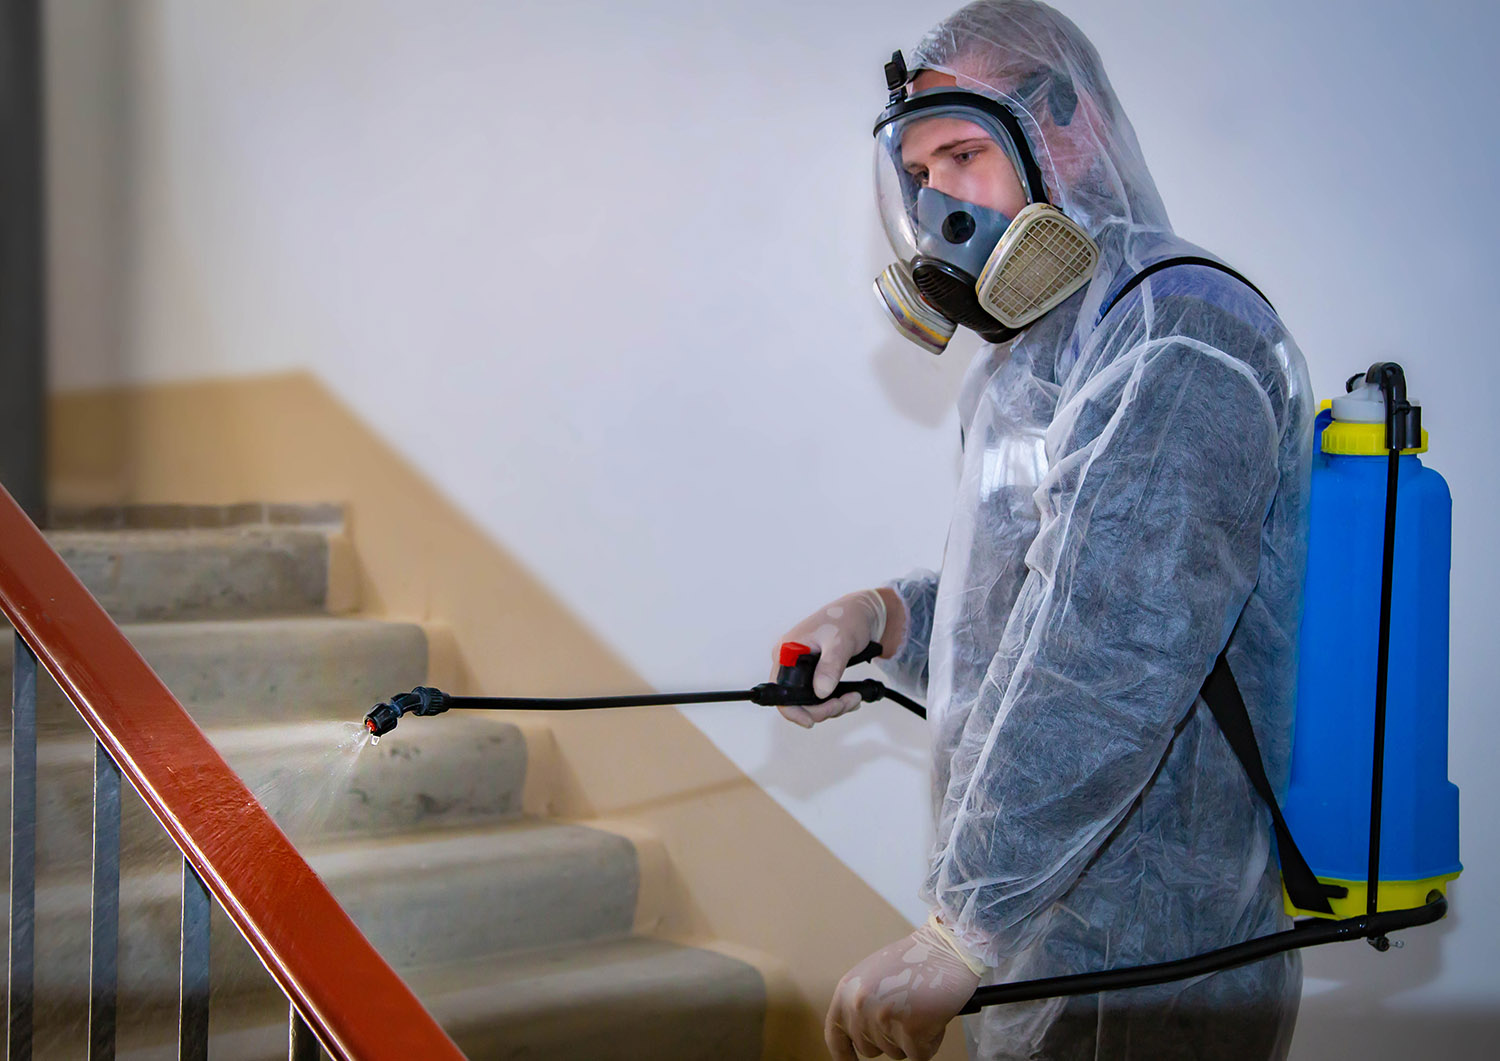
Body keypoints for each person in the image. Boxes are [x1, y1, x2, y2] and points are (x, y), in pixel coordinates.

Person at [771, 3, 1314, 1059]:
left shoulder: (1179, 330)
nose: (939, 208)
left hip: (1154, 964)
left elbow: (1110, 649)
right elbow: (1024, 611)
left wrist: (964, 923)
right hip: (1049, 949)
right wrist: (883, 619)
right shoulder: (1025, 361)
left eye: (966, 155)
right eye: (922, 176)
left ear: (1072, 128)